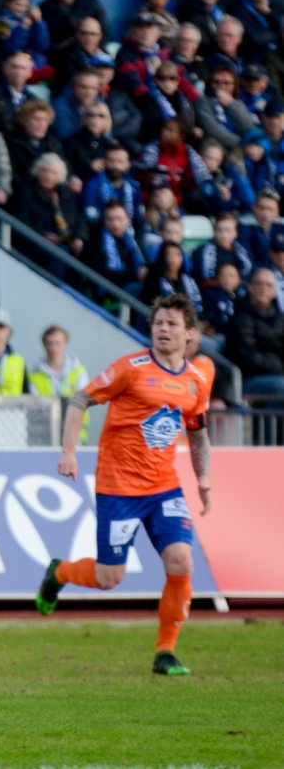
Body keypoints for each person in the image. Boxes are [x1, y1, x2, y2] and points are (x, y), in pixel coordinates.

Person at [38, 293, 213, 677]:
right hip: (119, 488)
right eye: (158, 322)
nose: (163, 329)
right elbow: (80, 400)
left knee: (181, 561)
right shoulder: (130, 368)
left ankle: (165, 652)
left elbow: (197, 431)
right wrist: (69, 452)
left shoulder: (198, 379)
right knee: (109, 577)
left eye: (172, 324)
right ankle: (60, 573)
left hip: (164, 487)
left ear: (189, 333)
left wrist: (203, 479)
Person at [224, 267, 284, 399]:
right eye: (259, 283)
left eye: (268, 285)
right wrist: (279, 368)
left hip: (277, 374)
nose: (263, 288)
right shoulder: (240, 317)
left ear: (274, 292)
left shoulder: (280, 318)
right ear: (250, 287)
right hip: (249, 378)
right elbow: (246, 356)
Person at [28, 324, 89, 443]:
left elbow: (82, 401)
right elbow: (36, 406)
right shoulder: (35, 376)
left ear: (65, 343)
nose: (54, 348)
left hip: (75, 434)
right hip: (46, 436)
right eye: (50, 343)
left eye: (58, 343)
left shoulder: (79, 372)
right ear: (44, 345)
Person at [193, 212, 253, 285]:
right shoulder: (203, 251)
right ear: (214, 231)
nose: (224, 235)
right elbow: (203, 276)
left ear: (235, 233)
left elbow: (248, 272)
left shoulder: (243, 251)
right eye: (219, 230)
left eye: (228, 230)